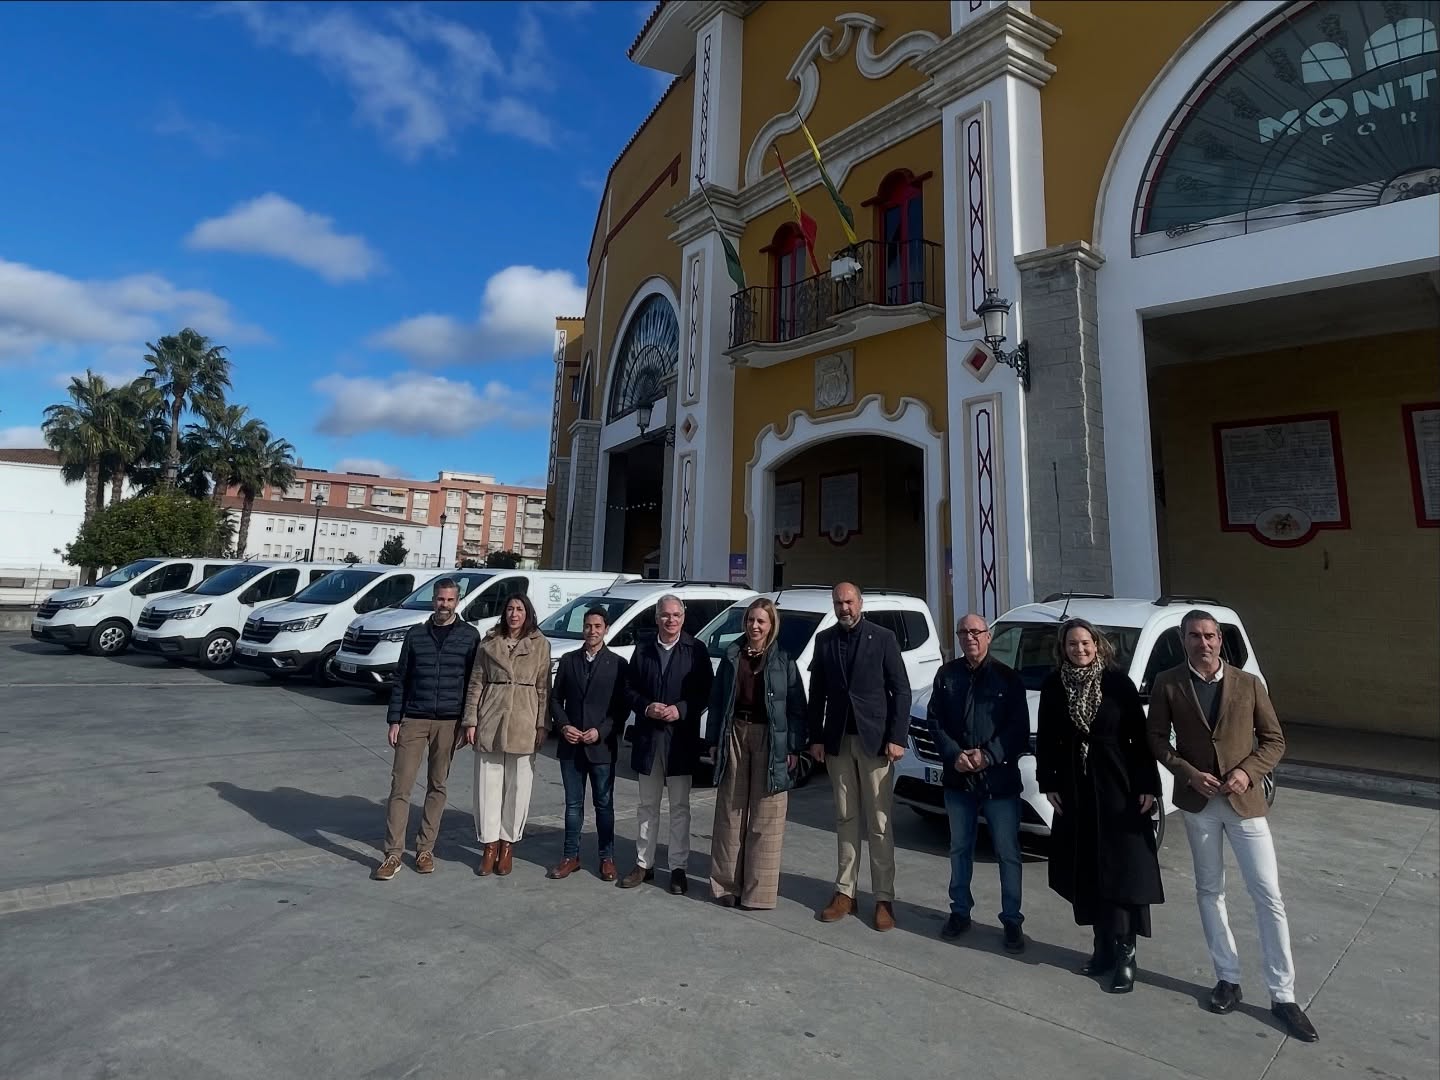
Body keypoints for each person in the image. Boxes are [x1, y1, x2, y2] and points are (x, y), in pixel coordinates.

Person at [1146, 609, 1318, 1043]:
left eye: (1208, 636)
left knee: (1268, 895)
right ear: (1183, 641)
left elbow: (1274, 740)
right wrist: (1186, 772)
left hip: (1245, 803)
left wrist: (1247, 772)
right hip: (1199, 803)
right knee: (1209, 890)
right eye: (1193, 636)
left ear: (1220, 640)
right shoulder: (1168, 683)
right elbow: (1155, 739)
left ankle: (1283, 995)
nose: (1202, 643)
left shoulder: (1248, 683)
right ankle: (1227, 977)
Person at [1037, 617, 1165, 992]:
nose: (1079, 650)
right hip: (1077, 790)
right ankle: (1102, 948)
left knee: (1122, 870)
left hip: (1117, 788)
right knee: (1088, 868)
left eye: (1086, 643)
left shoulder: (1116, 684)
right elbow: (1046, 738)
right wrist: (1050, 781)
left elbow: (1138, 740)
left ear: (1098, 645)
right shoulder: (1054, 685)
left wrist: (1146, 785)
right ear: (1063, 648)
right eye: (1072, 644)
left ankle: (1126, 954)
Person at [807, 582, 911, 931]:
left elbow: (901, 690)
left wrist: (897, 738)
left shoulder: (882, 638)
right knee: (845, 818)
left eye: (849, 601)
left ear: (860, 602)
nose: (844, 608)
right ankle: (845, 893)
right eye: (838, 602)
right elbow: (816, 693)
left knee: (879, 823)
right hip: (838, 742)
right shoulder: (825, 641)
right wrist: (816, 738)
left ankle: (884, 897)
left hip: (876, 742)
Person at [927, 612, 1030, 952]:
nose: (969, 637)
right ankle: (959, 912)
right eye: (962, 632)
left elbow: (1017, 729)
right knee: (959, 849)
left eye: (975, 632)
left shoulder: (1007, 679)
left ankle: (1012, 920)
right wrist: (953, 753)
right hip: (959, 780)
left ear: (988, 636)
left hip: (998, 781)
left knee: (1007, 852)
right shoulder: (947, 676)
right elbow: (935, 719)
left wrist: (988, 755)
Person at [374, 579, 480, 880]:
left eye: (449, 600)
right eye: (439, 599)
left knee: (438, 786)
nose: (443, 605)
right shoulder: (416, 634)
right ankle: (393, 854)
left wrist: (467, 722)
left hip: (449, 722)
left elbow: (474, 684)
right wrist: (395, 720)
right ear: (432, 601)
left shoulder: (470, 636)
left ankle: (424, 849)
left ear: (457, 602)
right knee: (400, 786)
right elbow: (402, 679)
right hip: (414, 718)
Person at [706, 597, 807, 909]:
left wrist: (793, 747)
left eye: (761, 621)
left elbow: (796, 708)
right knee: (730, 812)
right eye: (751, 620)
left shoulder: (784, 660)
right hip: (735, 732)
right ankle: (726, 887)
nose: (755, 626)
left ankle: (758, 894)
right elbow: (718, 699)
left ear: (771, 625)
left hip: (771, 739)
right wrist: (713, 740)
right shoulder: (732, 655)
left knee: (767, 816)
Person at [619, 594, 714, 894]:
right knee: (647, 806)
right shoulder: (644, 649)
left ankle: (677, 868)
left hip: (680, 742)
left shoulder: (696, 650)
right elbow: (628, 688)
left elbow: (705, 692)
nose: (670, 620)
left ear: (683, 618)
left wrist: (682, 710)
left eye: (675, 615)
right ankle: (643, 864)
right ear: (657, 617)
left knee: (680, 808)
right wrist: (646, 707)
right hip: (649, 739)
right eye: (665, 615)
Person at [461, 593, 551, 877]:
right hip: (492, 716)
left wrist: (541, 725)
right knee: (487, 786)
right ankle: (489, 845)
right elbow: (476, 683)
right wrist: (471, 720)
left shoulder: (540, 644)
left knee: (518, 787)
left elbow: (544, 688)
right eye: (510, 608)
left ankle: (507, 844)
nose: (514, 614)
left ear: (528, 613)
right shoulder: (488, 643)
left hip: (524, 719)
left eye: (520, 609)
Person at [547, 605, 628, 882]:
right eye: (588, 626)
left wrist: (601, 731)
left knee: (604, 804)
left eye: (597, 626)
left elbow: (621, 708)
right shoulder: (569, 661)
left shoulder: (617, 664)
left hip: (601, 748)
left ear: (606, 629)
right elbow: (555, 699)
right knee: (573, 804)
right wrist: (564, 725)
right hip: (571, 746)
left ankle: (607, 858)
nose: (592, 631)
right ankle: (571, 856)